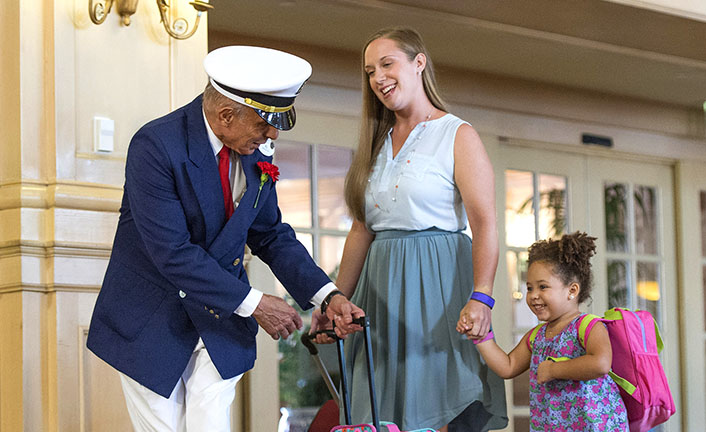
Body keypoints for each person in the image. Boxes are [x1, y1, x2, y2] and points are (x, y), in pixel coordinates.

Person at [86, 45, 364, 432]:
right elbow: (173, 252)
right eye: (264, 123)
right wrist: (255, 304)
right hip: (151, 324)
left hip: (220, 322)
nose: (272, 134)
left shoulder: (254, 150)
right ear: (226, 114)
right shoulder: (156, 146)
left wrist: (327, 296)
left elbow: (271, 234)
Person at [310, 27, 507, 431]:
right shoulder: (375, 143)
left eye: (387, 64)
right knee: (376, 409)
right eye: (369, 71)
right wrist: (335, 300)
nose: (378, 78)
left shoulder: (457, 134)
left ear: (419, 64)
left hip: (439, 289)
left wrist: (482, 297)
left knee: (437, 402)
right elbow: (362, 230)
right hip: (379, 289)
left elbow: (485, 222)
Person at [474, 232, 629, 431]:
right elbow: (508, 366)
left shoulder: (588, 326)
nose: (533, 296)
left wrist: (553, 370)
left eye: (543, 287)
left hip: (596, 426)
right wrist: (481, 337)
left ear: (572, 291)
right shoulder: (536, 336)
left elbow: (600, 363)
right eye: (530, 288)